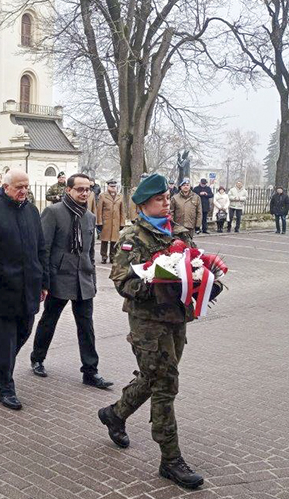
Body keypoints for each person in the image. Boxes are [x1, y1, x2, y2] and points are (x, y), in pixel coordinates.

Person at [99, 173, 223, 490]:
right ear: (142, 204)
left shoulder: (179, 232)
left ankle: (115, 413)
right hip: (147, 323)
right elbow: (123, 283)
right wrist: (158, 282)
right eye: (159, 199)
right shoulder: (133, 238)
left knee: (153, 378)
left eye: (168, 198)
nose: (166, 203)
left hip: (176, 319)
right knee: (166, 384)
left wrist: (208, 281)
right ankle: (171, 460)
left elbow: (194, 266)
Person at [0, 169, 49, 410]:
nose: (24, 191)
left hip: (29, 286)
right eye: (18, 187)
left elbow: (41, 249)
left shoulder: (32, 211)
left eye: (26, 186)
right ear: (5, 188)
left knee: (24, 331)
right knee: (6, 341)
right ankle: (5, 388)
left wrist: (44, 281)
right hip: (2, 289)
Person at [30, 173, 113, 388]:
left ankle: (90, 371)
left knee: (86, 326)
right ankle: (37, 358)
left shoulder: (90, 217)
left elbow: (89, 254)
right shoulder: (53, 212)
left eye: (88, 189)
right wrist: (44, 282)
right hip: (59, 278)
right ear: (69, 190)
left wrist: (93, 279)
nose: (85, 193)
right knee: (49, 320)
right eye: (80, 189)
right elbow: (44, 249)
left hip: (83, 279)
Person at [96, 180, 123, 264]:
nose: (113, 188)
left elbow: (122, 211)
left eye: (114, 186)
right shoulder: (103, 196)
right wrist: (99, 222)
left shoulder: (120, 196)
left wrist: (122, 223)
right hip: (106, 222)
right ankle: (104, 256)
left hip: (116, 222)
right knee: (104, 240)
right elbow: (99, 210)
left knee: (114, 241)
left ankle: (112, 256)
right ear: (108, 186)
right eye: (111, 186)